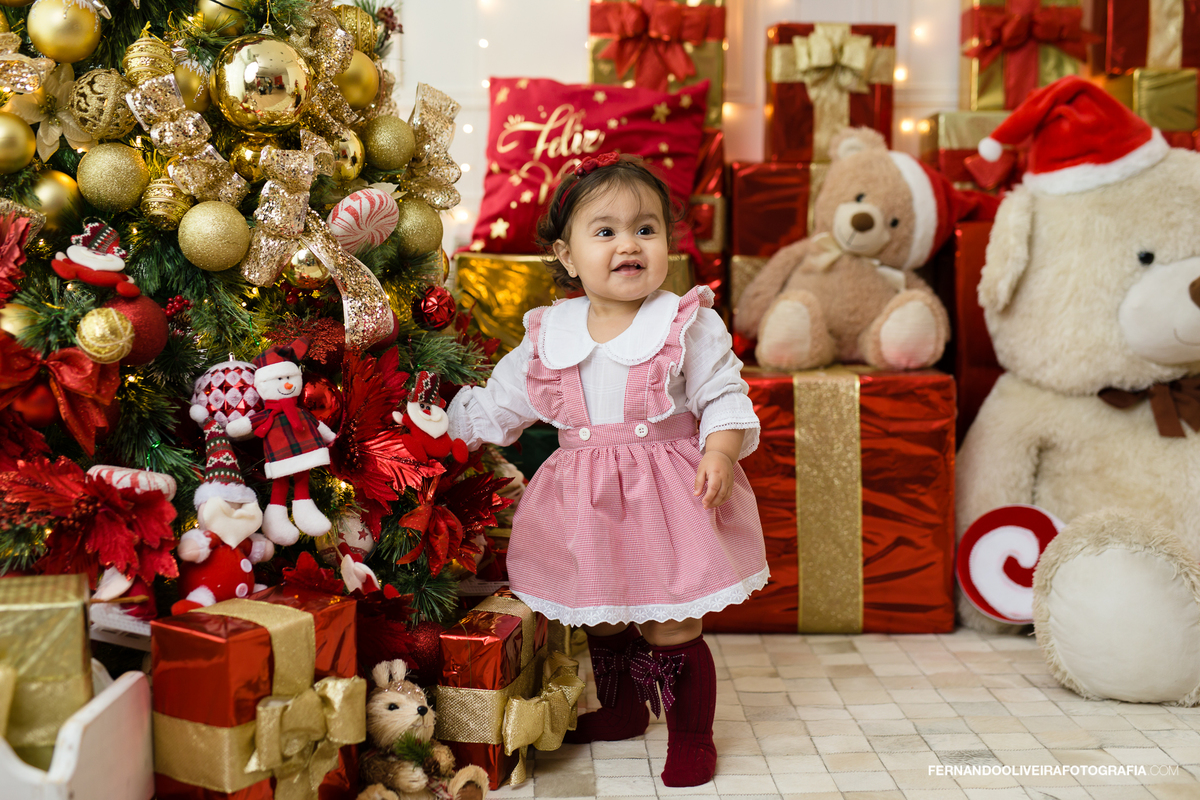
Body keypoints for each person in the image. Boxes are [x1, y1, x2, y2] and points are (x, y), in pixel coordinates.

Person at [447, 153, 768, 788]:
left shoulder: (685, 322)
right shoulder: (549, 333)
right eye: (606, 231)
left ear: (668, 244)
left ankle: (691, 738)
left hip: (669, 497)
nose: (629, 244)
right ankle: (621, 710)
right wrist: (443, 429)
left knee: (671, 621)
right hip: (585, 501)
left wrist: (720, 450)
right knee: (605, 611)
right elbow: (501, 404)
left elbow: (724, 393)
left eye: (646, 229)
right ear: (566, 256)